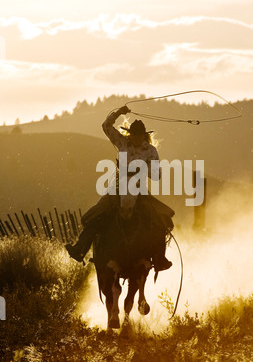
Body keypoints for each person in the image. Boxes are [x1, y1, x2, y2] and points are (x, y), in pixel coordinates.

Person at [65, 105, 174, 271]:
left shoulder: (150, 151)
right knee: (96, 214)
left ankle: (159, 258)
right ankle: (80, 249)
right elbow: (106, 126)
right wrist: (117, 113)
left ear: (143, 136)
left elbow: (157, 175)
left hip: (140, 190)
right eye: (133, 135)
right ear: (130, 134)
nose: (135, 138)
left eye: (138, 136)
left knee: (160, 220)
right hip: (117, 188)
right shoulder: (122, 142)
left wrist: (145, 169)